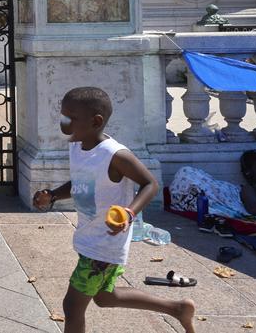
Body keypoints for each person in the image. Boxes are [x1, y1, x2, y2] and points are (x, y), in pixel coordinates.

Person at [33, 87, 196, 333]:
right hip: (90, 237)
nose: (64, 124)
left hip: (105, 245)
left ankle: (177, 309)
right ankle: (177, 308)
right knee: (105, 297)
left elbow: (150, 184)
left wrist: (129, 213)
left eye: (71, 118)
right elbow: (80, 183)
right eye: (63, 116)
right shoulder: (77, 146)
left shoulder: (115, 155)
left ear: (95, 121)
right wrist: (53, 195)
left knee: (72, 306)